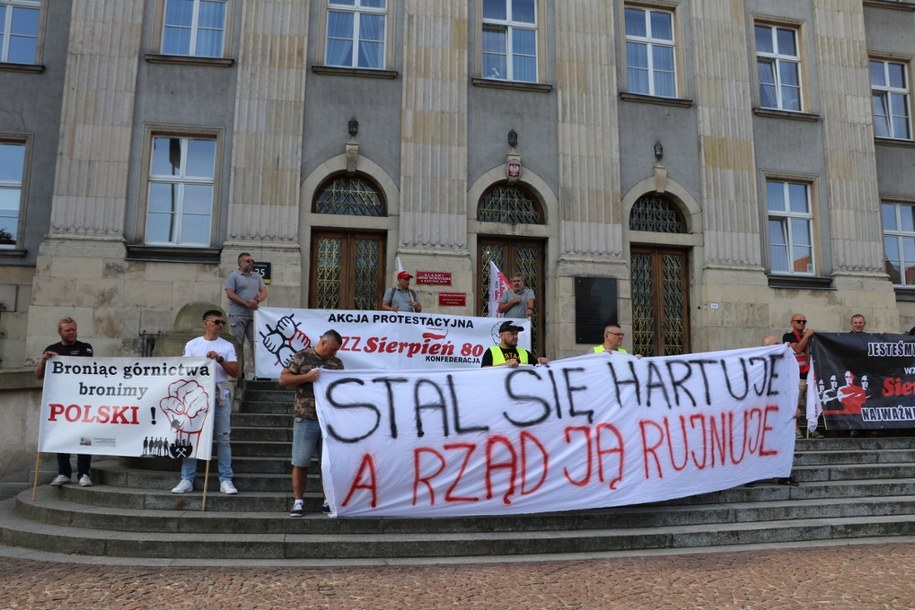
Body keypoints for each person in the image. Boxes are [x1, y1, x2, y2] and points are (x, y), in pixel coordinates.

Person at [171, 310, 240, 495]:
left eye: (222, 323)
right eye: (216, 322)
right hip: (196, 397)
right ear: (206, 323)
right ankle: (187, 478)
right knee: (190, 436)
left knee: (223, 438)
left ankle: (226, 478)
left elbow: (234, 371)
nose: (220, 325)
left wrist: (219, 359)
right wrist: (203, 361)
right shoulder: (193, 345)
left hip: (219, 394)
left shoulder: (226, 346)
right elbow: (184, 369)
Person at [279, 330, 344, 516]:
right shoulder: (302, 356)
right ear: (322, 342)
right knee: (300, 462)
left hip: (329, 420)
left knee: (329, 463)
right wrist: (306, 377)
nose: (334, 354)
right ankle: (298, 501)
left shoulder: (337, 363)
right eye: (332, 349)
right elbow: (283, 379)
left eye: (336, 351)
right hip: (306, 417)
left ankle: (328, 499)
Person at [34, 317, 95, 487]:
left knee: (84, 437)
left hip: (82, 400)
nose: (72, 332)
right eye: (68, 330)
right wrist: (44, 361)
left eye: (74, 329)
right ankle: (64, 473)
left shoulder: (85, 347)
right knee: (61, 436)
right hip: (61, 402)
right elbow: (38, 375)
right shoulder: (51, 349)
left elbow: (86, 366)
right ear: (60, 332)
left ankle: (83, 473)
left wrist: (60, 359)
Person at [224, 252, 268, 374]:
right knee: (238, 344)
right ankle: (238, 374)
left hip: (253, 316)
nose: (251, 262)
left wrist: (257, 300)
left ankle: (259, 372)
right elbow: (230, 293)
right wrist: (245, 303)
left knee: (256, 344)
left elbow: (264, 292)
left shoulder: (257, 276)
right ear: (240, 262)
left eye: (252, 261)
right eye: (248, 260)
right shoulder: (233, 276)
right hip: (237, 315)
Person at [481, 321, 548, 367]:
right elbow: (484, 372)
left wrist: (541, 362)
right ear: (501, 336)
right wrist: (504, 365)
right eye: (512, 334)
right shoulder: (491, 352)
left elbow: (537, 368)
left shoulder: (525, 353)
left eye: (516, 334)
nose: (515, 337)